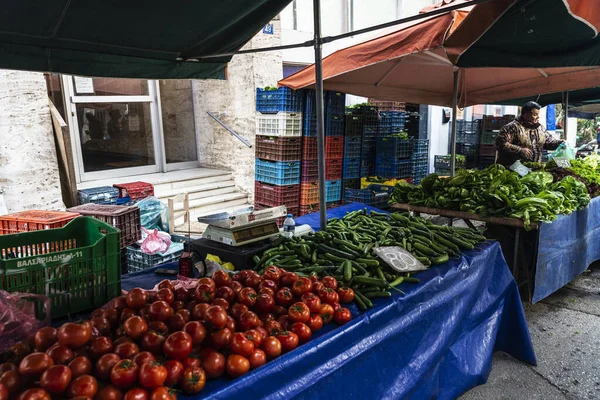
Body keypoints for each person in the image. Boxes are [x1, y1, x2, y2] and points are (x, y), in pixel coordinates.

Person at [495, 101, 564, 166]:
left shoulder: (540, 128)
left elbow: (548, 142)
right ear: (525, 115)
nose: (538, 117)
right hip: (513, 169)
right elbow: (500, 143)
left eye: (538, 114)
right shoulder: (512, 127)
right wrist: (519, 150)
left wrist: (560, 143)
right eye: (535, 115)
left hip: (534, 169)